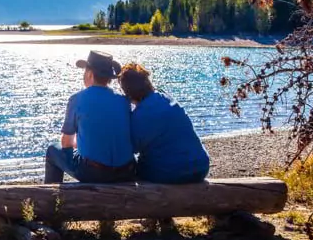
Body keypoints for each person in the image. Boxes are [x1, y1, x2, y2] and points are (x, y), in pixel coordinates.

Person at [44, 50, 135, 184]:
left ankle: (52, 199)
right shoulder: (123, 101)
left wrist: (78, 145)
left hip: (95, 173)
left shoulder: (77, 99)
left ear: (90, 74)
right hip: (126, 171)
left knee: (52, 150)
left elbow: (66, 143)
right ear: (109, 78)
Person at [118, 63, 210, 184]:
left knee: (133, 167)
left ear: (128, 92)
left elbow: (131, 148)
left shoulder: (141, 115)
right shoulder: (166, 98)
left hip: (172, 172)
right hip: (200, 166)